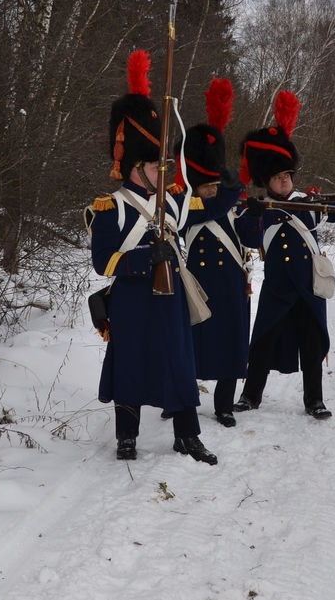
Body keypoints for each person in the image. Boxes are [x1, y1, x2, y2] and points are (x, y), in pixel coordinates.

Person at [86, 50, 243, 463]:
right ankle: (126, 437)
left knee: (179, 363)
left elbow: (212, 206)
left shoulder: (173, 202)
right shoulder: (111, 206)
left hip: (171, 299)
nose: (165, 171)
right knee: (130, 366)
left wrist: (232, 186)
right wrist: (143, 259)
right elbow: (103, 262)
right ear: (136, 168)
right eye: (158, 166)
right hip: (131, 301)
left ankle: (187, 436)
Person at [234, 90, 335, 420]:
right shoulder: (259, 208)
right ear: (267, 181)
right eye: (278, 177)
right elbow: (248, 236)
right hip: (277, 287)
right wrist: (255, 214)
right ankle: (250, 396)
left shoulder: (307, 202)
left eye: (287, 175)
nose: (284, 181)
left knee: (312, 346)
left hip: (308, 287)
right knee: (262, 343)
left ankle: (314, 401)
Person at [180, 78, 263, 428]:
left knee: (231, 347)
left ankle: (224, 406)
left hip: (230, 285)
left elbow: (249, 237)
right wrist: (232, 191)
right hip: (197, 284)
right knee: (187, 346)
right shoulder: (187, 207)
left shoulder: (230, 206)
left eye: (217, 185)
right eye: (208, 185)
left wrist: (255, 214)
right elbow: (206, 212)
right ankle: (181, 399)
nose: (214, 190)